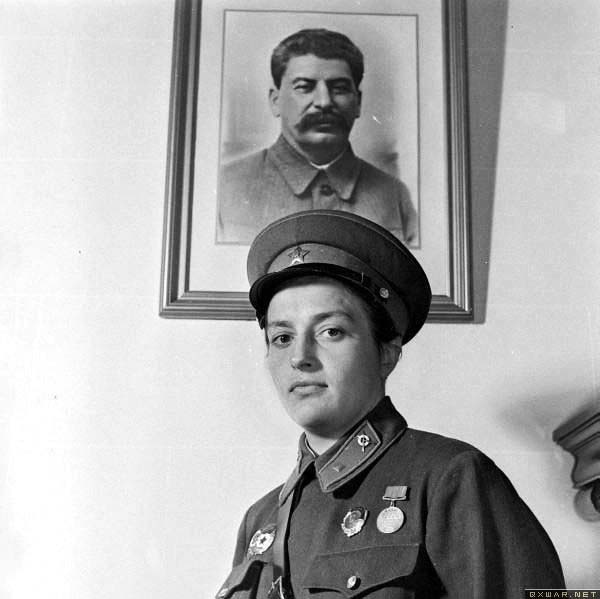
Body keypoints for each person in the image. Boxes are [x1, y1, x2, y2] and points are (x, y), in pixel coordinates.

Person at [215, 210, 565, 599]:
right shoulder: (260, 522)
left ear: (387, 353)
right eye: (282, 338)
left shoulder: (451, 478)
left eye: (331, 331)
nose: (300, 357)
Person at [217, 29, 417, 246]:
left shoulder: (395, 196)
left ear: (358, 102)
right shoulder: (227, 187)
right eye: (304, 87)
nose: (324, 102)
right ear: (275, 101)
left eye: (339, 88)